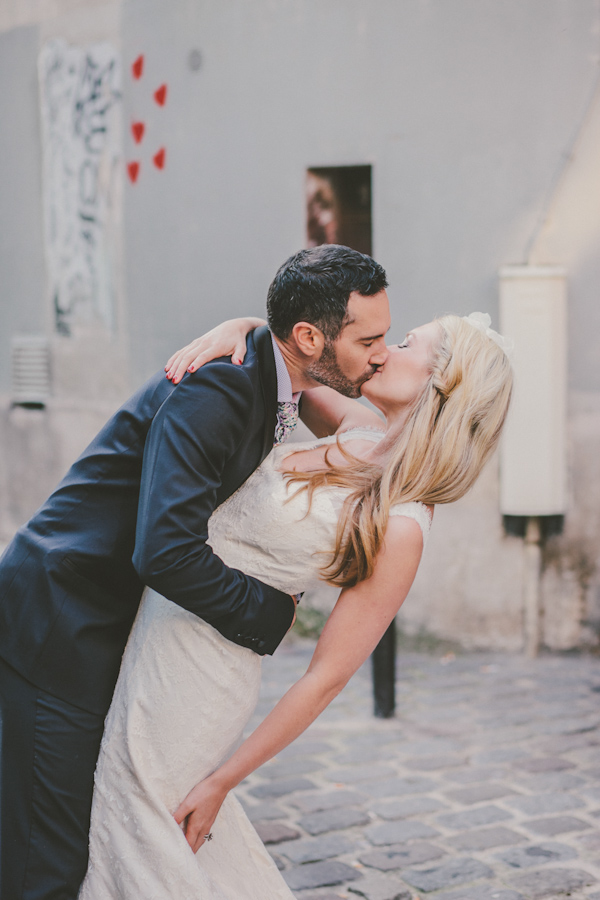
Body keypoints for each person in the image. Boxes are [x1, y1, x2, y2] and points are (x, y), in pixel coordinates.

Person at [0, 244, 392, 899]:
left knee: (73, 832)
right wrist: (269, 613)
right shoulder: (223, 385)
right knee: (51, 857)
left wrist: (244, 321)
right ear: (308, 337)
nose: (379, 352)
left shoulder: (271, 378)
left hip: (101, 622)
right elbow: (165, 551)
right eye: (370, 339)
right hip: (59, 619)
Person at [78, 310, 513, 898]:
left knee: (144, 821)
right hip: (153, 624)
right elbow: (295, 358)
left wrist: (224, 782)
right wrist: (246, 325)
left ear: (444, 383)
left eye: (407, 343)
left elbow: (324, 679)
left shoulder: (403, 523)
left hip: (201, 676)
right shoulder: (357, 427)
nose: (383, 349)